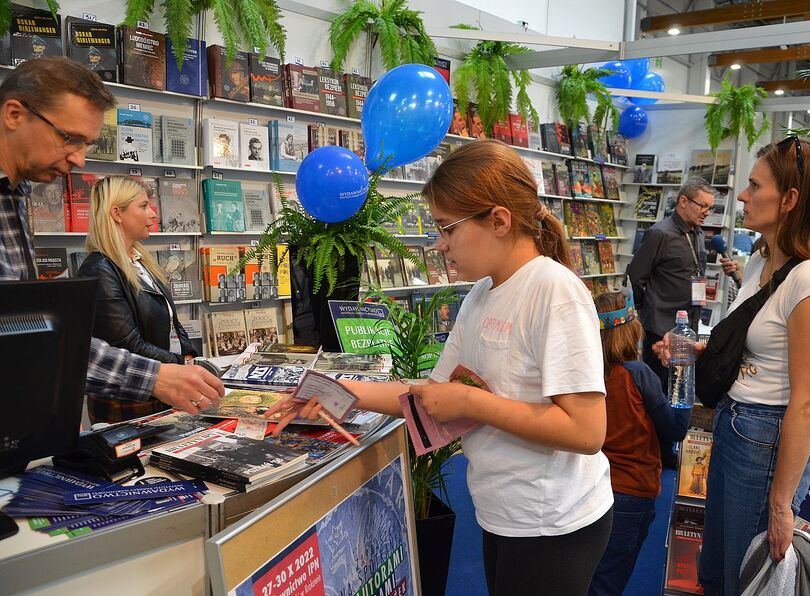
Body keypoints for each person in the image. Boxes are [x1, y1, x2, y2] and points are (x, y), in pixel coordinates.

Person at [267, 139, 613, 595]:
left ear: (499, 220)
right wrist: (338, 390)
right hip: (505, 511)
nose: (441, 246)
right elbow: (432, 393)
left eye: (447, 229)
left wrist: (472, 401)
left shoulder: (554, 290)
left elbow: (586, 432)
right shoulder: (482, 293)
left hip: (552, 521)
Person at [656, 137, 810, 595]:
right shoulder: (760, 261)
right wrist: (692, 352)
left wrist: (782, 505)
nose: (742, 196)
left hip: (766, 438)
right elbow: (750, 351)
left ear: (789, 200)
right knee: (715, 568)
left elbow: (807, 403)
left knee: (745, 576)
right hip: (733, 422)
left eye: (754, 185)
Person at [0, 57, 223, 416]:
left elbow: (22, 329)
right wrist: (157, 376)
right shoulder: (100, 266)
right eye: (69, 138)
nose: (80, 160)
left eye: (86, 143)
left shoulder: (15, 195)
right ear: (14, 115)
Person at [588, 291, 690, 596]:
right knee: (608, 580)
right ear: (633, 328)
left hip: (590, 487)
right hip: (631, 490)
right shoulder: (638, 374)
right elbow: (676, 428)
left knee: (590, 573)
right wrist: (683, 367)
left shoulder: (587, 374)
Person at [78, 176, 198, 423]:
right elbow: (127, 343)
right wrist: (180, 364)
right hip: (131, 396)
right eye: (143, 206)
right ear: (117, 214)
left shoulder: (142, 261)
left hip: (163, 384)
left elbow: (171, 320)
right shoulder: (100, 268)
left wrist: (187, 353)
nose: (153, 214)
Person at [626, 177, 715, 391]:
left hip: (688, 325)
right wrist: (647, 312)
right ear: (683, 201)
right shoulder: (659, 233)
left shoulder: (698, 232)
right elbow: (635, 277)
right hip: (661, 327)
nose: (706, 212)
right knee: (659, 390)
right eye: (703, 206)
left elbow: (697, 273)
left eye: (710, 208)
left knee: (679, 389)